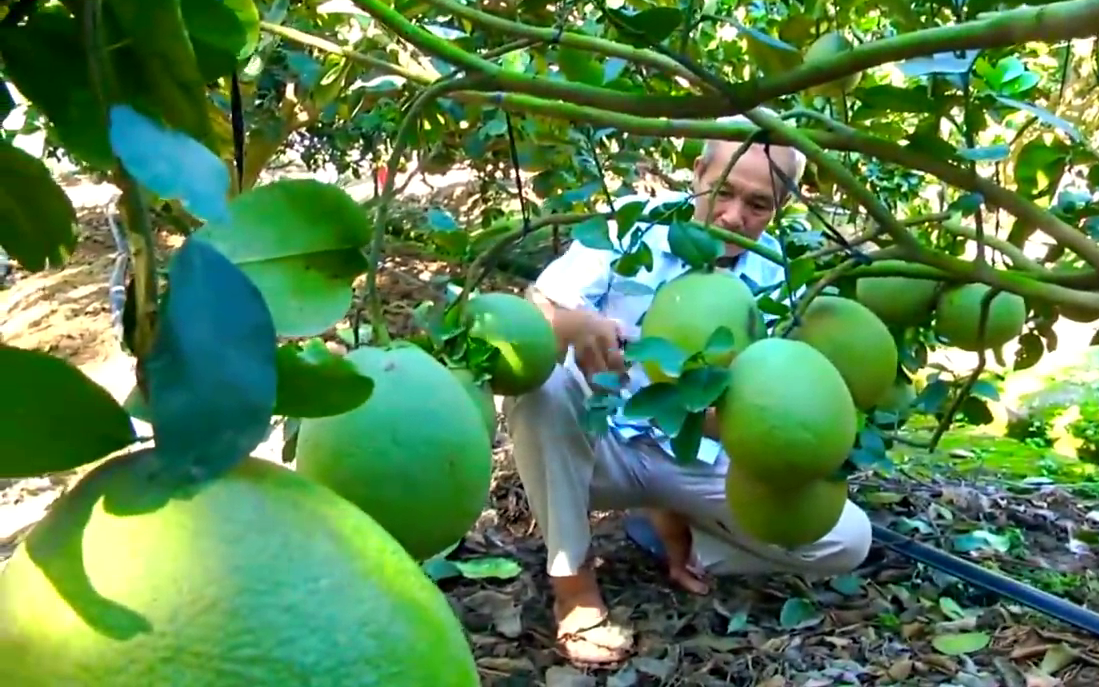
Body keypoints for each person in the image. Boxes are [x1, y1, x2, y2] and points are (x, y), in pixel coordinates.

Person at [500, 110, 874, 667]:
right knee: (543, 386)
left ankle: (680, 534)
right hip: (602, 450)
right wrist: (576, 327)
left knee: (846, 540)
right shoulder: (633, 227)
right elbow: (536, 314)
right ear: (699, 172)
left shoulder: (780, 280)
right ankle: (573, 585)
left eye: (759, 205)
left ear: (781, 207)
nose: (734, 216)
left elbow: (770, 403)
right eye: (726, 192)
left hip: (700, 458)